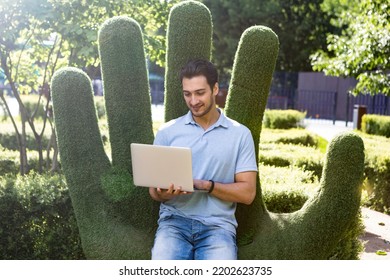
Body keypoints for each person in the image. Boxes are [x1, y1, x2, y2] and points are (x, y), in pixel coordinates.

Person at [149, 59, 258, 260]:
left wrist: (206, 185)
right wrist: (164, 193)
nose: (193, 101)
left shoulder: (240, 134)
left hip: (218, 227)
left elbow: (248, 193)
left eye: (200, 93)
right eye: (187, 94)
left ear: (215, 89)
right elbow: (154, 193)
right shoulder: (168, 132)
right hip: (174, 223)